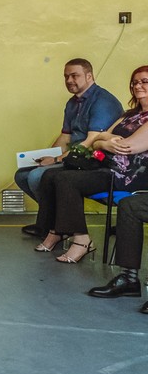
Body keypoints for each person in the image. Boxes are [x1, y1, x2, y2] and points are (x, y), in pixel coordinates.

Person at [33, 65, 148, 264]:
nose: (138, 86)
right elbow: (98, 139)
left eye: (144, 81)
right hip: (107, 168)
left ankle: (81, 239)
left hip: (129, 177)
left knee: (66, 180)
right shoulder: (129, 115)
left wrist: (105, 142)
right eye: (135, 82)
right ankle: (55, 230)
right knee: (51, 175)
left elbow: (126, 147)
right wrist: (104, 143)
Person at [15, 58, 123, 235]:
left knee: (36, 177)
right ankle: (53, 221)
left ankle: (54, 227)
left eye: (74, 75)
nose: (69, 80)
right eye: (66, 76)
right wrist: (46, 155)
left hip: (93, 161)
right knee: (21, 175)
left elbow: (90, 142)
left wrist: (56, 159)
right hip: (72, 157)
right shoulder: (72, 103)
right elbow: (65, 136)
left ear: (89, 76)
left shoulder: (103, 101)